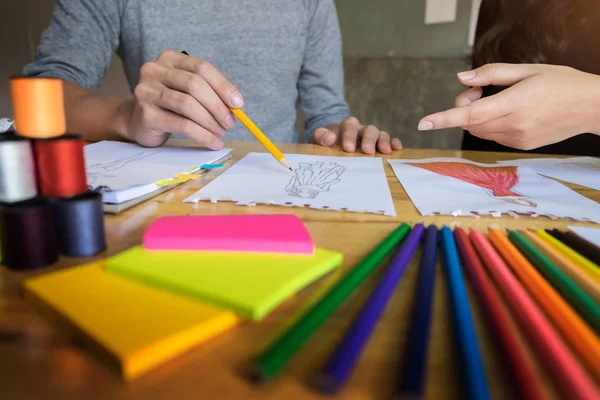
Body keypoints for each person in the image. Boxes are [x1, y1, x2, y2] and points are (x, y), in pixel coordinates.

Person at [22, 0, 402, 155]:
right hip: (159, 202)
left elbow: (326, 113)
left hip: (278, 195)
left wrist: (341, 135)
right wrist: (126, 115)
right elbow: (36, 104)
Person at [417, 0, 600, 156]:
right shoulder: (499, 5)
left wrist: (591, 106)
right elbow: (487, 94)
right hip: (496, 175)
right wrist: (478, 115)